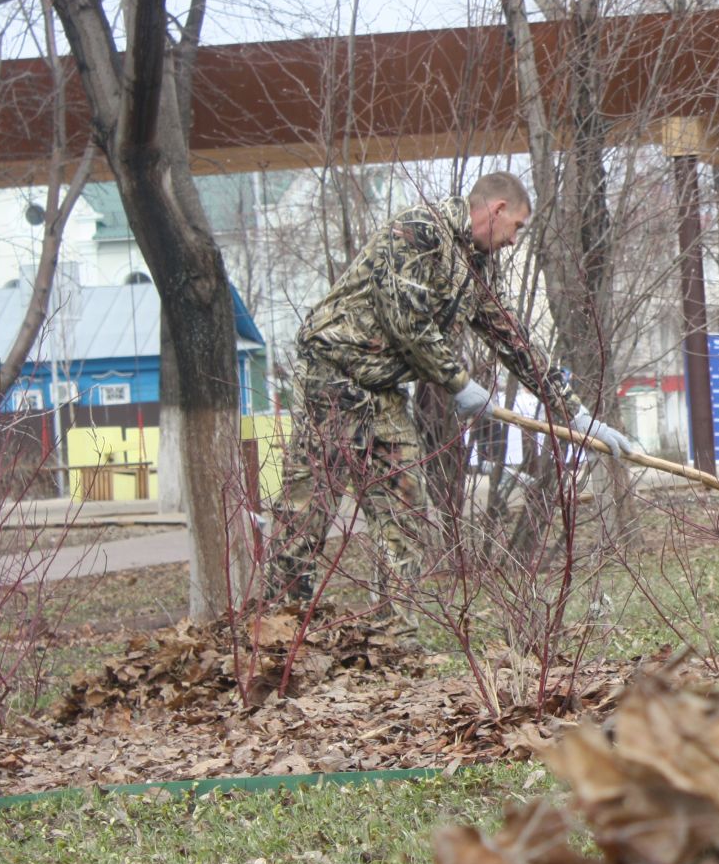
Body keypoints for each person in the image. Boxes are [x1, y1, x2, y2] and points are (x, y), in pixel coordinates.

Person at [262, 171, 634, 626]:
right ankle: (278, 629)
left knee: (406, 510)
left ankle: (396, 638)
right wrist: (458, 382)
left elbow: (513, 339)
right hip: (332, 376)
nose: (514, 240)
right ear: (496, 210)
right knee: (309, 508)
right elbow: (407, 322)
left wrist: (575, 414)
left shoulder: (476, 267)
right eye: (516, 227)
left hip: (383, 391)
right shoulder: (418, 233)